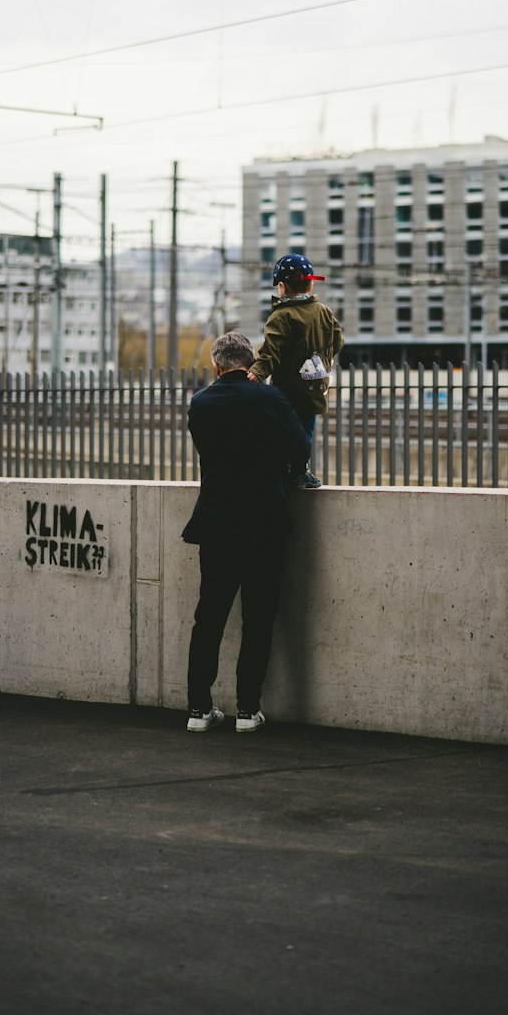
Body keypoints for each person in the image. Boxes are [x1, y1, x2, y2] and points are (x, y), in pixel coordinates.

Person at [182, 330, 309, 734]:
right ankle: (247, 711)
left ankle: (199, 710)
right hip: (263, 524)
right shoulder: (269, 398)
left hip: (217, 524)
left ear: (216, 366)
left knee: (209, 618)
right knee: (258, 619)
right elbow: (300, 447)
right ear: (251, 363)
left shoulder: (200, 403)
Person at [248, 253, 344, 489]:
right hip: (315, 386)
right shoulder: (324, 311)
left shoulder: (281, 316)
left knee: (281, 429)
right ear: (310, 283)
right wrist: (319, 359)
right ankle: (301, 470)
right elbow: (338, 340)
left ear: (281, 287)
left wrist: (256, 373)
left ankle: (287, 469)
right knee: (305, 430)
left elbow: (271, 352)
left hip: (288, 390)